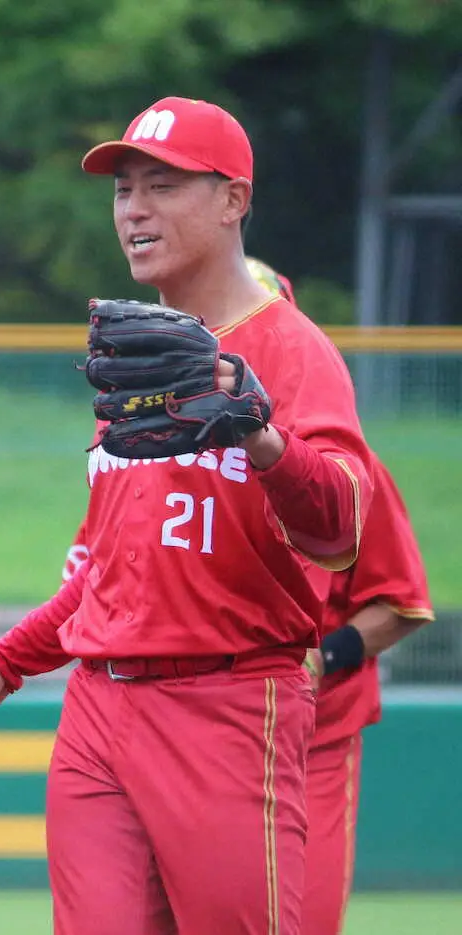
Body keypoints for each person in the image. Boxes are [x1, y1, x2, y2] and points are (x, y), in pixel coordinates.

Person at [0, 96, 375, 934]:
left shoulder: (291, 349)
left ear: (233, 199)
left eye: (163, 186)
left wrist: (263, 435)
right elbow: (114, 565)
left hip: (228, 699)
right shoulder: (141, 353)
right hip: (99, 707)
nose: (134, 208)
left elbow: (343, 529)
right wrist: (4, 664)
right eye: (124, 188)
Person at [246, 259, 435, 935]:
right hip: (208, 729)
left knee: (309, 917)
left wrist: (322, 658)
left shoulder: (350, 470)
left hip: (315, 738)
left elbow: (403, 603)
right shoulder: (166, 457)